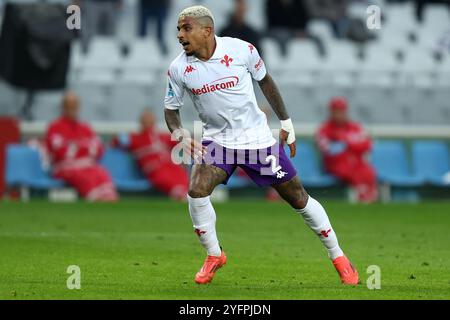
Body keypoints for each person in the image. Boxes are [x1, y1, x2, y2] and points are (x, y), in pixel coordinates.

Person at [164, 5, 359, 285]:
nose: (180, 35)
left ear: (207, 30)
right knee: (196, 190)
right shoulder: (178, 68)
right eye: (179, 29)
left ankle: (338, 256)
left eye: (186, 28)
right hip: (218, 142)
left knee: (298, 198)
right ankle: (214, 254)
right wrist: (180, 134)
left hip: (257, 140)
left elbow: (265, 81)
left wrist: (286, 122)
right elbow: (171, 110)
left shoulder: (242, 50)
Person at [45, 92, 118, 201]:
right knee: (85, 178)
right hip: (65, 168)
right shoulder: (55, 127)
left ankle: (109, 204)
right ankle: (96, 205)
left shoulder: (85, 127)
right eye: (69, 105)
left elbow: (98, 149)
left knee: (102, 173)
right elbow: (61, 153)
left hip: (88, 166)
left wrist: (75, 147)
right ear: (63, 107)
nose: (72, 108)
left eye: (74, 105)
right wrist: (84, 148)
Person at [112, 109, 189, 201]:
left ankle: (187, 194)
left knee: (180, 173)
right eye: (146, 121)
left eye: (150, 121)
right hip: (154, 168)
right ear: (141, 122)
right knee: (163, 178)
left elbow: (182, 143)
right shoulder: (134, 138)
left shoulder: (162, 136)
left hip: (169, 164)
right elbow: (116, 142)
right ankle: (179, 195)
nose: (148, 123)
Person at [316, 97, 378, 203]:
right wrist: (349, 143)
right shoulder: (325, 129)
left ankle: (370, 198)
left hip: (356, 163)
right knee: (353, 172)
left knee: (368, 170)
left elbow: (367, 145)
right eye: (336, 111)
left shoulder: (355, 127)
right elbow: (327, 150)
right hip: (335, 165)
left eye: (341, 111)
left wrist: (347, 143)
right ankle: (361, 198)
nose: (339, 114)